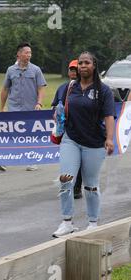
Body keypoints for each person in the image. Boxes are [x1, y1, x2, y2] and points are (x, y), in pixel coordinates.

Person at [52, 52, 115, 237]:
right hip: (70, 139)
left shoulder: (103, 91)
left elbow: (109, 116)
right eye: (80, 63)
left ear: (94, 65)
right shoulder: (69, 87)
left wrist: (109, 139)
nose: (82, 66)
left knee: (91, 185)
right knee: (66, 180)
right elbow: (58, 108)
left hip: (94, 144)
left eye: (86, 63)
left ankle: (93, 223)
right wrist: (58, 115)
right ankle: (66, 222)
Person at [0, 42, 47, 171]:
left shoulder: (36, 70)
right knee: (10, 135)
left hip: (30, 108)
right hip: (14, 108)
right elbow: (5, 89)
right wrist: (1, 107)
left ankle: (32, 160)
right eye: (26, 53)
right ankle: (2, 160)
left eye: (30, 53)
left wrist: (39, 103)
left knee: (30, 135)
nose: (29, 55)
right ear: (19, 54)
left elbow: (41, 88)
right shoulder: (11, 70)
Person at [52, 59, 83, 200]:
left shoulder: (86, 88)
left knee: (81, 161)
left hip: (83, 131)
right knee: (68, 160)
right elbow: (55, 106)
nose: (73, 72)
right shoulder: (62, 88)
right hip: (66, 130)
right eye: (71, 70)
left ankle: (77, 187)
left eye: (75, 70)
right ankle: (69, 185)